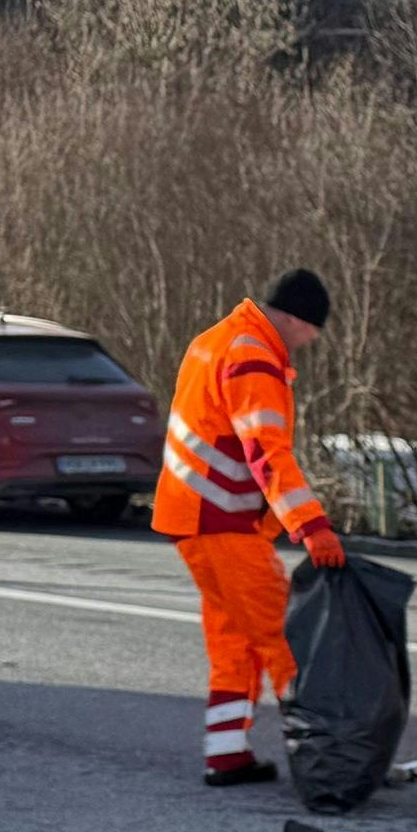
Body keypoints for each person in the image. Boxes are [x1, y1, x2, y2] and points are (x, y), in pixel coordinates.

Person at [152, 268, 341, 785]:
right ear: (292, 318)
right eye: (309, 333)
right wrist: (311, 525)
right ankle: (328, 757)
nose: (307, 344)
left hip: (197, 517)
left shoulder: (217, 340)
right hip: (222, 520)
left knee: (233, 637)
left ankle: (227, 752)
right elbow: (267, 452)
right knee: (283, 636)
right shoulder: (253, 354)